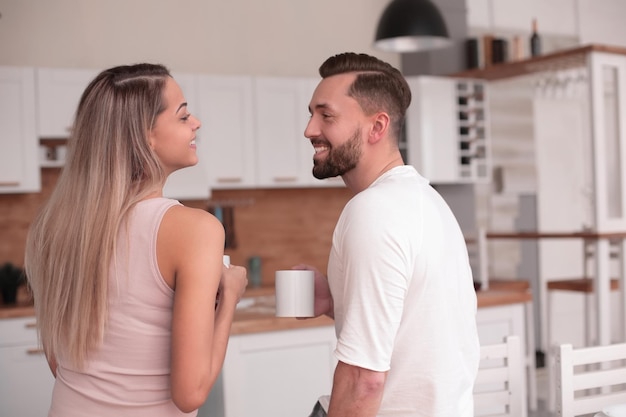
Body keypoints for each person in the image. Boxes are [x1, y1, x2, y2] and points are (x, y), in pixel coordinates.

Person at [25, 63, 248, 417]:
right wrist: (230, 297)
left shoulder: (53, 227)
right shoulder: (195, 230)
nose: (196, 123)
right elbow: (189, 394)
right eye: (183, 116)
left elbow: (62, 364)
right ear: (146, 136)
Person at [297, 53, 480, 417]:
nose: (310, 129)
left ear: (376, 127)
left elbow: (365, 379)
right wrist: (338, 301)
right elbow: (414, 325)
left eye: (326, 115)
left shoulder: (373, 211)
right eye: (311, 114)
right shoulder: (428, 202)